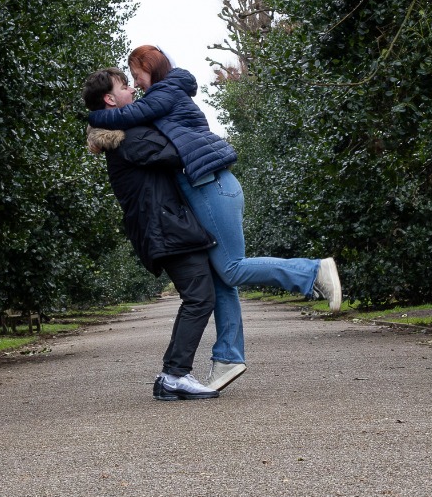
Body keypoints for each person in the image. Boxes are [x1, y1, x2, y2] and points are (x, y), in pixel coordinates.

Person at [86, 45, 341, 392]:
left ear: (151, 70)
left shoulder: (160, 98)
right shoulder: (148, 113)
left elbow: (148, 135)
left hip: (211, 186)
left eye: (135, 77)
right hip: (203, 190)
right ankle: (227, 358)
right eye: (126, 83)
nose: (134, 86)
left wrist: (95, 121)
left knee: (231, 269)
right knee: (222, 278)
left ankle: (312, 272)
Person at [82, 67, 220, 401]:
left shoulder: (125, 136)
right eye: (124, 86)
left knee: (198, 295)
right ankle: (174, 375)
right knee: (199, 297)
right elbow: (176, 151)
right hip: (166, 229)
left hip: (163, 227)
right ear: (110, 99)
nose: (132, 90)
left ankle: (173, 374)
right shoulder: (130, 139)